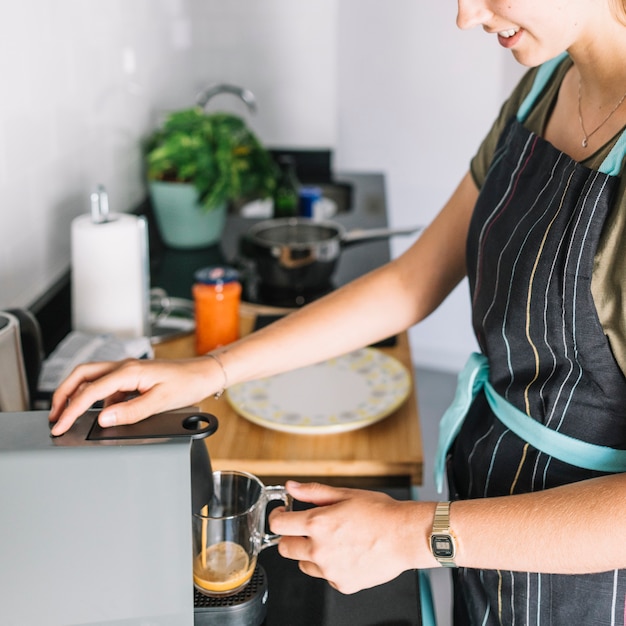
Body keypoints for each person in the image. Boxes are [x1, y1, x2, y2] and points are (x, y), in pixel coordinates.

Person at [49, 0, 626, 623]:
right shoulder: (543, 84)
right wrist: (209, 371)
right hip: (486, 509)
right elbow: (412, 281)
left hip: (588, 568)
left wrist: (412, 535)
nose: (465, 16)